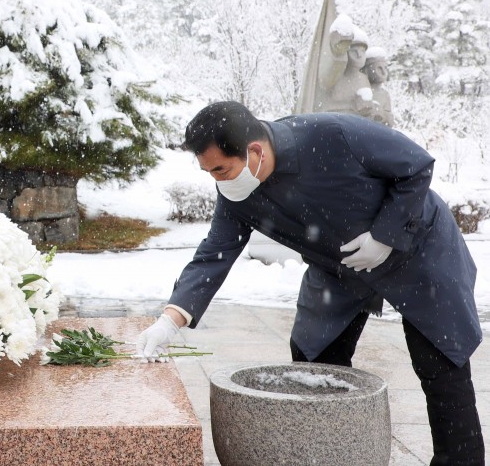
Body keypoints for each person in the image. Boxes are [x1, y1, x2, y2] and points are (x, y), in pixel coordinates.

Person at [137, 101, 484, 465]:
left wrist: (386, 235)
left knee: (440, 366)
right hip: (339, 269)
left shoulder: (333, 135)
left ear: (254, 151)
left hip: (418, 251)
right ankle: (335, 456)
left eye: (221, 169)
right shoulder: (237, 193)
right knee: (313, 359)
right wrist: (169, 321)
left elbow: (416, 165)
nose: (217, 181)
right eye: (209, 172)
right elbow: (214, 254)